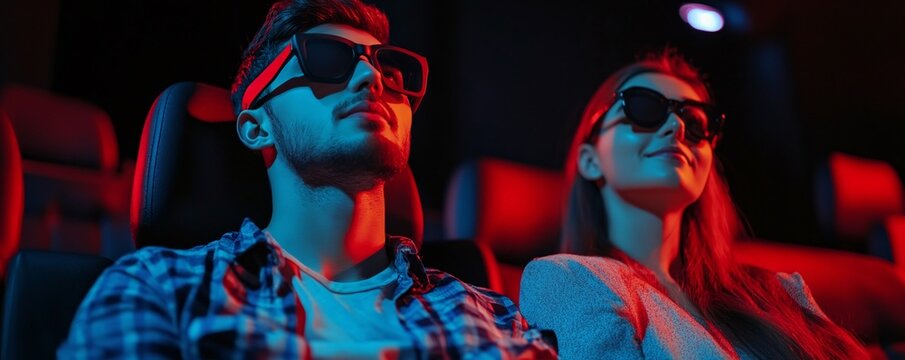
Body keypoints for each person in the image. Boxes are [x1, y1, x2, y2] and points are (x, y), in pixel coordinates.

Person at [59, 0, 556, 358]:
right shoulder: (162, 288)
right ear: (257, 127)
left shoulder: (493, 319)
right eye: (326, 60)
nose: (372, 79)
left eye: (389, 69)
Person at [518, 50, 867, 359]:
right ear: (590, 160)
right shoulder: (565, 280)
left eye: (696, 122)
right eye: (643, 107)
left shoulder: (783, 291)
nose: (676, 126)